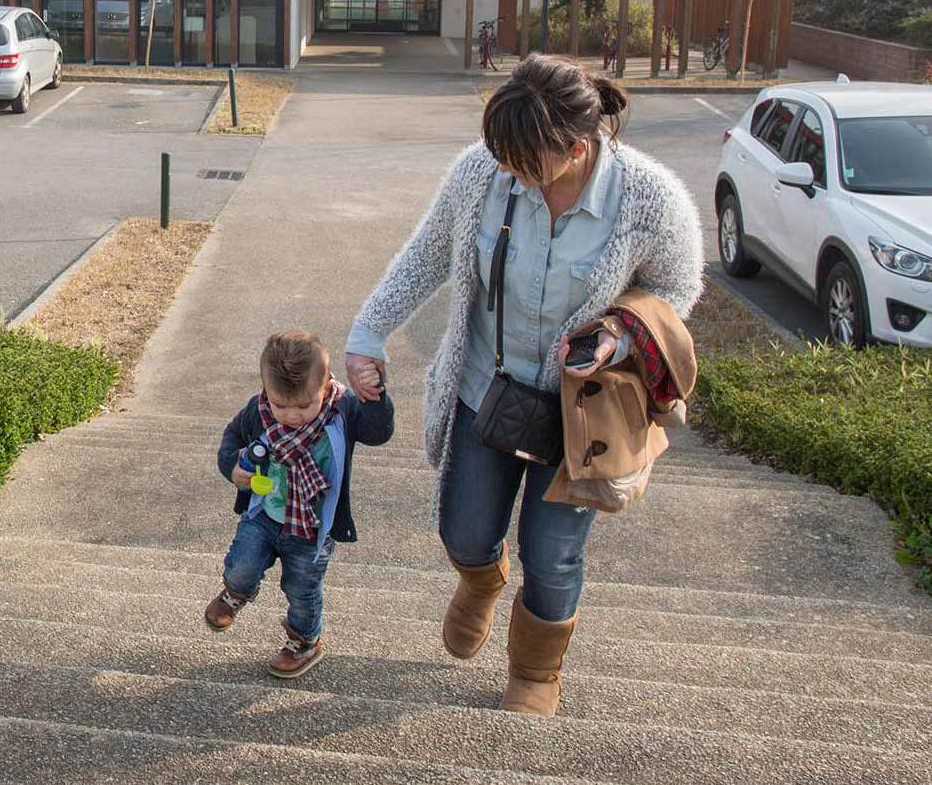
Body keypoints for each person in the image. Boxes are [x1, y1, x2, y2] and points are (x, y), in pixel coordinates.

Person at [343, 54, 702, 716]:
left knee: (552, 555)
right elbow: (425, 254)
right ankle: (480, 583)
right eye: (499, 154)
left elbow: (677, 288)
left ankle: (535, 674)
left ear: (575, 148)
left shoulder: (649, 199)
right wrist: (367, 333)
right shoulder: (481, 171)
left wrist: (618, 335)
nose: (505, 171)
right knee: (464, 532)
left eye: (522, 162)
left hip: (579, 419)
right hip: (487, 388)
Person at [207, 330, 394, 679]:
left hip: (312, 526)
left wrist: (375, 393)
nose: (292, 416)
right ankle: (236, 592)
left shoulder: (343, 411)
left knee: (301, 589)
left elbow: (378, 431)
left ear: (325, 388)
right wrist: (233, 467)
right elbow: (232, 438)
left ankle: (304, 641)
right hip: (266, 512)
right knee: (241, 565)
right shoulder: (259, 411)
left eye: (304, 405)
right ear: (266, 390)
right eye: (281, 405)